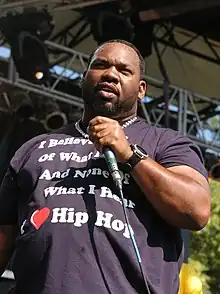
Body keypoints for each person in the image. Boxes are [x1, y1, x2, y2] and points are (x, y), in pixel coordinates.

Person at [0, 39, 210, 294]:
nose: (110, 74)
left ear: (141, 89)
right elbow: (4, 236)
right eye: (100, 65)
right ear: (84, 78)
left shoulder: (166, 143)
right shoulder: (34, 148)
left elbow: (196, 210)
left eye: (124, 70)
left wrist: (130, 156)